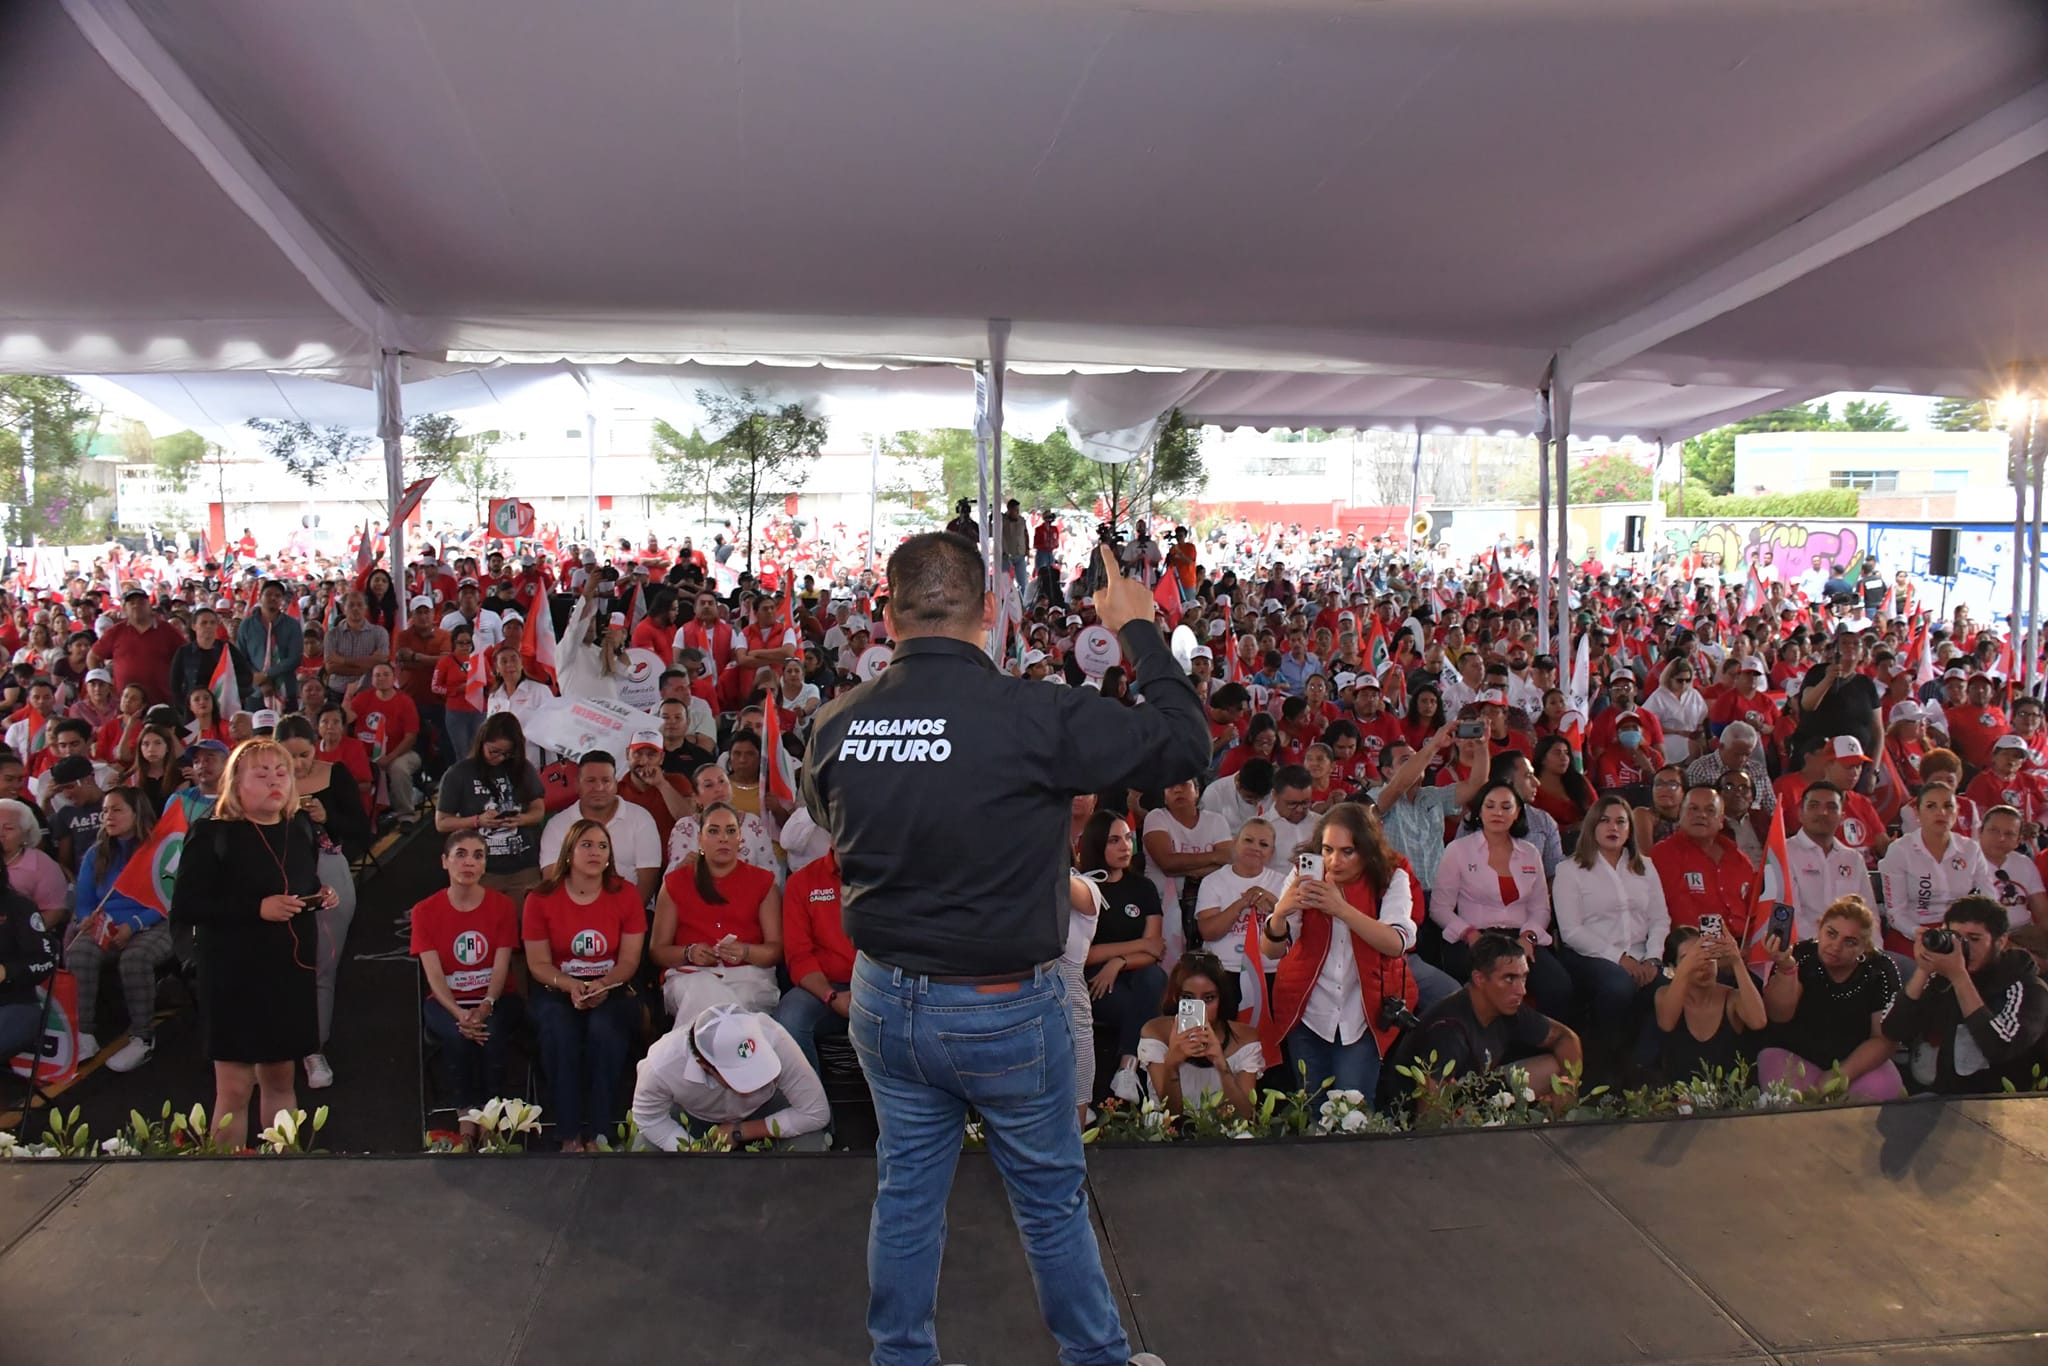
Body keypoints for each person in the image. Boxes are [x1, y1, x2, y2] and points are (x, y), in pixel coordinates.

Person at [802, 535, 1196, 1366]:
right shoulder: (1034, 715)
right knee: (1048, 1200)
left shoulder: (834, 722)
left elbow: (833, 817)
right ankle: (1096, 1359)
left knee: (907, 1193)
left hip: (883, 1000)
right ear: (991, 610)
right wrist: (1137, 628)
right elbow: (1183, 743)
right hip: (1001, 1006)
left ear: (888, 610)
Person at [169, 738, 337, 1151]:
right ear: (237, 783)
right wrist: (255, 908)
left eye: (280, 773)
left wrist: (319, 895)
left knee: (281, 1079)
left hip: (287, 969)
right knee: (235, 1087)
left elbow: (298, 882)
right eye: (261, 774)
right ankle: (227, 1180)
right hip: (234, 974)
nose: (274, 782)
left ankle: (283, 1167)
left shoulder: (299, 827)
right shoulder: (212, 833)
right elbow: (188, 904)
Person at [1257, 802, 1420, 1104]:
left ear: (1368, 850)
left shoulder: (1392, 876)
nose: (1334, 861)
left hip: (1362, 1014)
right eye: (1328, 849)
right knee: (1312, 1109)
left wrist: (1340, 909)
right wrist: (1280, 915)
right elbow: (1271, 951)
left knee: (1352, 1113)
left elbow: (1396, 943)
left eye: (1347, 851)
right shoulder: (1303, 875)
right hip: (1307, 1013)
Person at [521, 817, 646, 1150]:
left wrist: (603, 984)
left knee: (604, 1029)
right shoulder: (540, 898)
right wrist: (571, 985)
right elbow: (537, 963)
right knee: (559, 1030)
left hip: (613, 988)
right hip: (556, 990)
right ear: (568, 852)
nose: (595, 852)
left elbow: (630, 961)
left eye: (602, 846)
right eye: (586, 845)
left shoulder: (626, 894)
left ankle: (600, 1132)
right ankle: (569, 1133)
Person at [409, 830, 519, 1144]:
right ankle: (467, 1116)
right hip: (447, 1001)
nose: (469, 862)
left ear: (485, 866)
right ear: (445, 862)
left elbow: (501, 966)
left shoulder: (502, 906)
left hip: (496, 998)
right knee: (458, 1035)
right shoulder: (424, 911)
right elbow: (433, 976)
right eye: (460, 854)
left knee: (491, 1032)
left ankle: (492, 1116)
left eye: (478, 855)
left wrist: (485, 1006)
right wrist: (460, 1013)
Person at [276, 714, 367, 1086]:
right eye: (291, 756)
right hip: (279, 877)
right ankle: (277, 1045)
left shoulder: (336, 774)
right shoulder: (265, 783)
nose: (300, 764)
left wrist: (327, 817)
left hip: (329, 872)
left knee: (323, 967)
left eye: (305, 754)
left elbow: (361, 828)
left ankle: (315, 1049)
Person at [1385, 932, 1583, 1102]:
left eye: (1524, 977)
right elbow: (1430, 1119)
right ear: (1479, 979)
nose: (1521, 990)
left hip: (1474, 1092)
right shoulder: (1446, 1031)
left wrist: (1568, 1087)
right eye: (1509, 978)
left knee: (1558, 1068)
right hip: (1425, 1121)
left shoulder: (1508, 1003)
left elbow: (1566, 1037)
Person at [1429, 781, 1570, 1019]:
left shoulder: (1529, 852)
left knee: (1559, 987)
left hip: (1520, 938)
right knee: (1493, 989)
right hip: (1475, 938)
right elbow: (1439, 908)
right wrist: (1470, 934)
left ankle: (1541, 1051)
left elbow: (1540, 907)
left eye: (1506, 807)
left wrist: (1529, 937)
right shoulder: (1458, 850)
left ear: (1517, 814)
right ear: (1479, 812)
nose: (1497, 813)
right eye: (1490, 806)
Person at [1881, 894, 2048, 1094]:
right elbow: (1893, 1029)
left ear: (2001, 941)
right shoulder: (1942, 979)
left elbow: (2001, 1046)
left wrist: (1960, 977)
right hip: (1947, 1098)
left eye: (1974, 938)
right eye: (1957, 938)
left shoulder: (2025, 985)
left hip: (2007, 1101)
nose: (1964, 947)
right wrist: (1923, 970)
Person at [1757, 895, 1905, 1102]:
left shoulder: (1880, 969)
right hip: (1793, 1053)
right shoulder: (1800, 955)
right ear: (1819, 929)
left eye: (1850, 942)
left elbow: (1885, 1038)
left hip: (1855, 1062)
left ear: (1865, 946)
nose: (1836, 946)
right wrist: (1786, 968)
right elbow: (1778, 1015)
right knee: (1788, 1102)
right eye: (1831, 934)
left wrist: (1839, 1075)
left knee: (1882, 1093)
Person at [65, 786, 171, 1072]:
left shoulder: (159, 850)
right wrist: (86, 919)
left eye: (117, 810)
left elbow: (168, 898)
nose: (108, 816)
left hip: (156, 921)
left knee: (135, 958)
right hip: (109, 924)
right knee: (79, 953)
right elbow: (85, 901)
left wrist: (135, 925)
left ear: (137, 813)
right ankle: (84, 1035)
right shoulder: (96, 853)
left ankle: (143, 1036)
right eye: (105, 811)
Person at [630, 1002, 831, 1150]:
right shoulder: (661, 1063)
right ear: (704, 1065)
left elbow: (816, 1112)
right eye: (739, 1074)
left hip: (766, 1109)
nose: (753, 1080)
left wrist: (740, 1131)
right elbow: (649, 1119)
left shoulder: (775, 1037)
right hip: (693, 1116)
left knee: (810, 1148)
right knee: (644, 1151)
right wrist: (693, 1151)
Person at [648, 802, 783, 1022]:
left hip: (749, 978)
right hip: (690, 978)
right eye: (714, 831)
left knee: (730, 1002)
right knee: (703, 991)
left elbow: (776, 950)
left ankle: (687, 1053)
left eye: (730, 831)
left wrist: (746, 952)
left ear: (740, 839)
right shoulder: (675, 882)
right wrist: (688, 953)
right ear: (700, 839)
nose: (723, 838)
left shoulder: (764, 882)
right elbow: (657, 951)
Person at [1550, 796, 1669, 1043]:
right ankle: (1605, 1058)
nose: (1613, 827)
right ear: (1592, 825)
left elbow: (1659, 919)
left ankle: (1642, 1064)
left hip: (1641, 954)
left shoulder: (1645, 866)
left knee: (1666, 988)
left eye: (1620, 822)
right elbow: (1572, 931)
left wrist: (1653, 958)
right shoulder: (1570, 870)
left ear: (1630, 830)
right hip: (1590, 956)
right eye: (1604, 821)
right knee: (1618, 985)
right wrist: (1619, 958)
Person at [1077, 809, 1168, 1104]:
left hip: (1136, 974)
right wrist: (1133, 948)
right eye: (1114, 840)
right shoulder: (1082, 887)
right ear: (1096, 844)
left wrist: (1118, 961)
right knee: (1142, 1008)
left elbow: (1154, 949)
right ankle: (1129, 1078)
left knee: (1153, 978)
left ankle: (1126, 1068)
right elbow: (1083, 954)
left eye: (1128, 838)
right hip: (1095, 982)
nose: (1125, 846)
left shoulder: (1143, 887)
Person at [434, 711, 549, 907]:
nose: (500, 758)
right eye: (494, 751)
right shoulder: (459, 774)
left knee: (522, 925)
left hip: (523, 866)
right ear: (481, 742)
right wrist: (477, 821)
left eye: (507, 753)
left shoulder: (523, 769)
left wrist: (521, 819)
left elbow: (538, 809)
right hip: (481, 869)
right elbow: (442, 822)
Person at [1136, 950, 1265, 1118]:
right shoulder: (1156, 1033)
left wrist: (1221, 1064)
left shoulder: (1244, 1039)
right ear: (1176, 998)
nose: (1201, 1008)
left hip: (1225, 1137)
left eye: (1209, 998)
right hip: (1169, 1138)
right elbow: (1172, 1115)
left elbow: (1246, 1116)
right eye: (1188, 998)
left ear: (1221, 999)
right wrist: (1172, 1065)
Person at [1193, 816, 1289, 1033]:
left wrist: (1275, 906)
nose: (1255, 848)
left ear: (1271, 853)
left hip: (1270, 972)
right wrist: (1241, 903)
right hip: (1223, 971)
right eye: (1249, 840)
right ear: (1235, 843)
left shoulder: (1283, 883)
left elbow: (1291, 937)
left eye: (1263, 844)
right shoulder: (1213, 881)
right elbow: (1208, 931)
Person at [1878, 783, 1992, 963]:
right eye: (1931, 806)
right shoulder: (1900, 850)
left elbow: (1989, 899)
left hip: (1958, 934)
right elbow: (1895, 914)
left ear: (1956, 812)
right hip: (1910, 935)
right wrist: (1920, 933)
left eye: (1948, 806)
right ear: (1918, 813)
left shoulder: (1970, 849)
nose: (1941, 812)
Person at [773, 835, 853, 1084]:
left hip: (881, 987)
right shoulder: (803, 882)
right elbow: (798, 956)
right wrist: (831, 997)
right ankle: (812, 1116)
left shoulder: (891, 880)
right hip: (826, 989)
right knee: (790, 1020)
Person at [539, 750, 664, 904]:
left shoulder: (641, 818)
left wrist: (626, 918)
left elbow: (647, 881)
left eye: (606, 781)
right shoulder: (557, 825)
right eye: (590, 780)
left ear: (616, 785)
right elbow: (552, 879)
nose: (599, 787)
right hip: (573, 914)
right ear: (577, 785)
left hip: (630, 911)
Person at [1141, 777, 1233, 970]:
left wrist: (1182, 866)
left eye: (1184, 784)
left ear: (1197, 791)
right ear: (1164, 796)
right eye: (1171, 786)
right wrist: (1213, 858)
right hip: (1161, 903)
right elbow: (1166, 862)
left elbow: (1227, 861)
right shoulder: (1156, 817)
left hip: (1207, 903)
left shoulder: (1216, 820)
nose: (1177, 790)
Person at [1653, 785, 1759, 941]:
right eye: (1693, 809)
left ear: (1721, 820)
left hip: (1741, 949)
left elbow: (1754, 912)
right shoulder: (1664, 854)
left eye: (1710, 810)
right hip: (1691, 949)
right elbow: (1679, 912)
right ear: (1680, 815)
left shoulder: (1739, 859)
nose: (1701, 815)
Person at [1783, 782, 1873, 941]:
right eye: (1814, 805)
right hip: (1802, 949)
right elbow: (1790, 917)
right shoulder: (1785, 852)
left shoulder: (1852, 858)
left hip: (1851, 950)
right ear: (1800, 814)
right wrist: (1829, 944)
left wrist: (1874, 952)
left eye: (1832, 807)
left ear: (1842, 817)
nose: (1823, 813)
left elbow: (1869, 913)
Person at [346, 661, 424, 826]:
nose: (381, 678)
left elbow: (410, 737)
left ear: (393, 677)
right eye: (377, 675)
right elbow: (345, 719)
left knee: (398, 768)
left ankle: (406, 816)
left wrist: (390, 757)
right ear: (372, 679)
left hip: (400, 753)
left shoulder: (405, 701)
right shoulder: (363, 698)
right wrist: (348, 695)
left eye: (385, 674)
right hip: (366, 755)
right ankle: (364, 814)